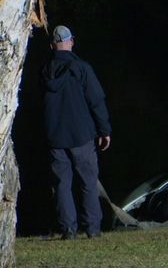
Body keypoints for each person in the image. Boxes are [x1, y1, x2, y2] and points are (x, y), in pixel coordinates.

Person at [40, 25, 112, 239]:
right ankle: (92, 228)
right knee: (88, 182)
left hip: (55, 136)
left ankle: (68, 230)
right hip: (82, 135)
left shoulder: (44, 70)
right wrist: (104, 129)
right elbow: (96, 100)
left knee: (61, 184)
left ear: (52, 45)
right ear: (71, 41)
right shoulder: (82, 68)